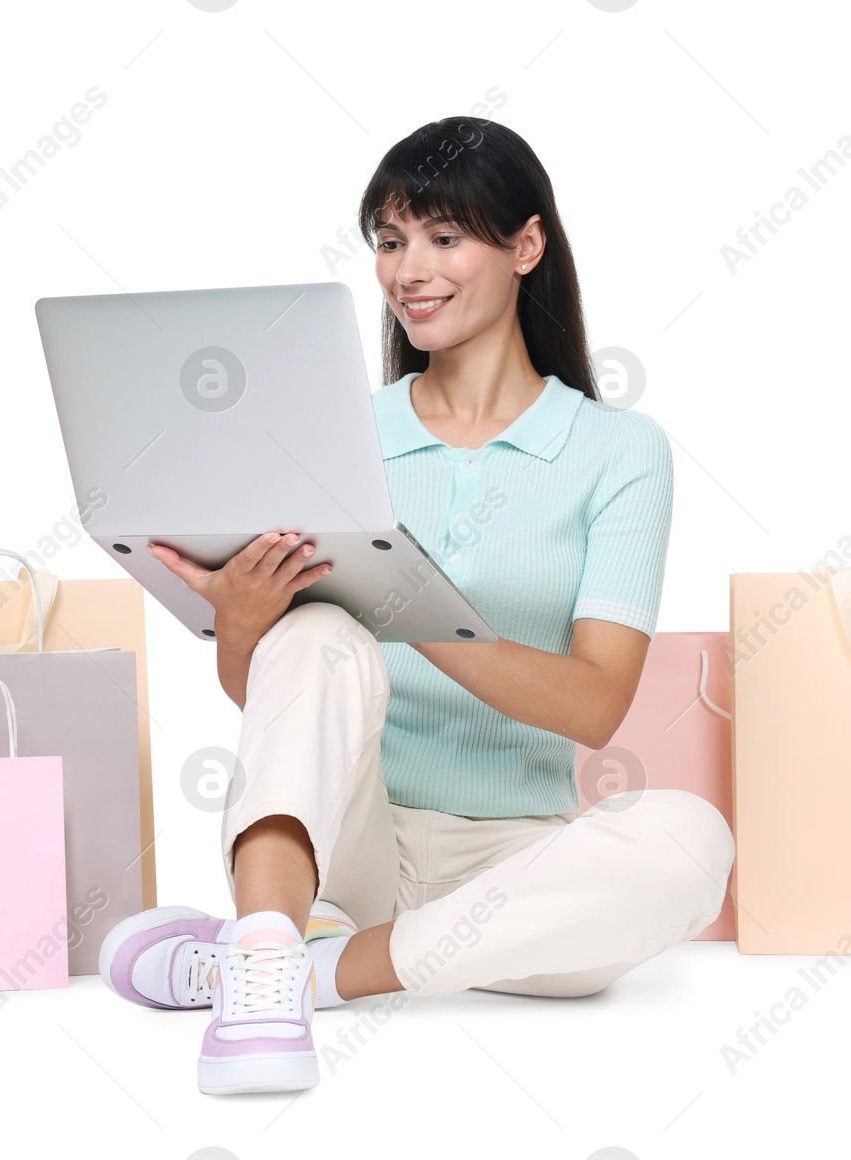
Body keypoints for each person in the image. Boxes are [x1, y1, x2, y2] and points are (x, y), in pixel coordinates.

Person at [96, 116, 734, 1096]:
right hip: (350, 843)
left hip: (518, 867)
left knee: (693, 840)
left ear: (526, 245)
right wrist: (240, 621)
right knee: (312, 629)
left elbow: (596, 702)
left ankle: (276, 969)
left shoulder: (618, 450)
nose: (409, 269)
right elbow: (276, 698)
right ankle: (272, 932)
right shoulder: (336, 435)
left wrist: (414, 602)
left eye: (443, 236)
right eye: (390, 241)